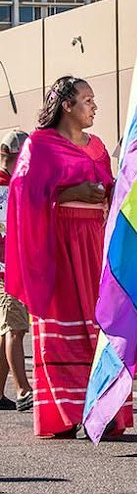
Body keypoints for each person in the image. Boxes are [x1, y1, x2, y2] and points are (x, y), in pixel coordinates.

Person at [5, 76, 127, 438]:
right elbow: (21, 200)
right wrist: (70, 191)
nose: (94, 106)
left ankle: (104, 412)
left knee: (102, 326)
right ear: (67, 106)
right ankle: (65, 414)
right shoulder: (39, 147)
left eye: (93, 99)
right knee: (62, 331)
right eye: (87, 99)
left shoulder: (99, 147)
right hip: (57, 245)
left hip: (95, 243)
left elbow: (111, 190)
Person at [0, 130, 32, 413]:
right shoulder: (4, 188)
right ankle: (23, 389)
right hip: (6, 270)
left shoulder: (19, 184)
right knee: (16, 327)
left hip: (17, 267)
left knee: (5, 333)